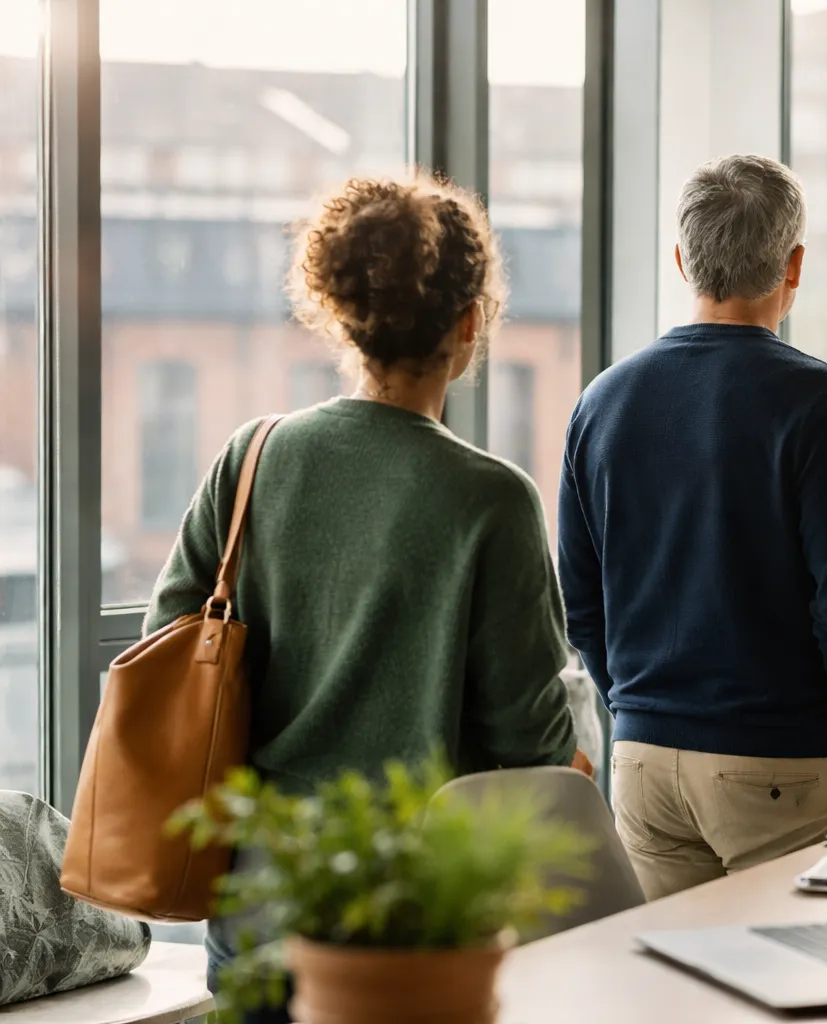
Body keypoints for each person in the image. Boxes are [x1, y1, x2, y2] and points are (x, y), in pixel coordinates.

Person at [143, 176, 587, 1023]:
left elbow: (169, 637)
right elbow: (531, 738)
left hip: (258, 889)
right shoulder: (491, 499)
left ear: (338, 315)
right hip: (418, 915)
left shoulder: (255, 456)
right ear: (469, 325)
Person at [559, 154, 827, 899]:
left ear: (682, 261)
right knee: (810, 992)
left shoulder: (602, 402)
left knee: (671, 999)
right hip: (785, 762)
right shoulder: (820, 401)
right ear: (794, 265)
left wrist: (641, 710)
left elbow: (581, 603)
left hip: (645, 762)